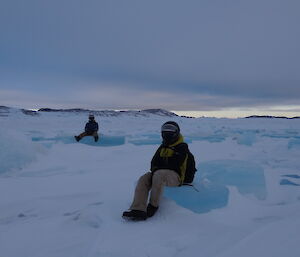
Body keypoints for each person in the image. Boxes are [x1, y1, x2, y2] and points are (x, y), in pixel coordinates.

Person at [122, 121, 190, 220]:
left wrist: (158, 168)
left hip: (176, 177)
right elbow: (153, 163)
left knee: (159, 174)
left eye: (170, 130)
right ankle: (138, 209)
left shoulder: (182, 147)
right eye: (165, 130)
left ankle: (153, 206)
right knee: (144, 178)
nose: (167, 133)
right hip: (161, 174)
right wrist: (157, 168)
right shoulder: (163, 147)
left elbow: (175, 164)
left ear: (176, 132)